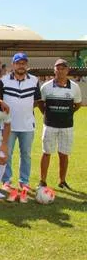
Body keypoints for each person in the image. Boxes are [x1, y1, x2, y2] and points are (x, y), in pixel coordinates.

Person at [0, 52, 41, 203]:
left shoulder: (34, 80)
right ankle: (7, 181)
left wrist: (25, 110)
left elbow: (36, 101)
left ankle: (24, 182)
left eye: (23, 63)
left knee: (26, 155)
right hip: (8, 125)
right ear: (13, 65)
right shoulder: (3, 80)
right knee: (6, 154)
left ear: (26, 65)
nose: (21, 65)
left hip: (27, 125)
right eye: (18, 63)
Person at [38, 59, 82, 190]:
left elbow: (78, 104)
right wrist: (48, 114)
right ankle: (42, 181)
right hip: (50, 125)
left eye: (63, 68)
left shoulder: (74, 87)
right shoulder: (46, 87)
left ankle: (62, 181)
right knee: (46, 152)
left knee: (64, 154)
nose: (60, 70)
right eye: (58, 68)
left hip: (67, 126)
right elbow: (41, 103)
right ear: (54, 70)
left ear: (67, 70)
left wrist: (67, 113)